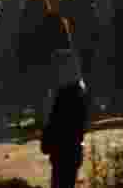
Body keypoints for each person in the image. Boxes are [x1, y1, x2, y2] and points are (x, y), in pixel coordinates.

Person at [41, 49, 89, 188]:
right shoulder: (77, 92)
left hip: (64, 153)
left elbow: (56, 125)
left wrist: (47, 141)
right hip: (70, 153)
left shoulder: (65, 95)